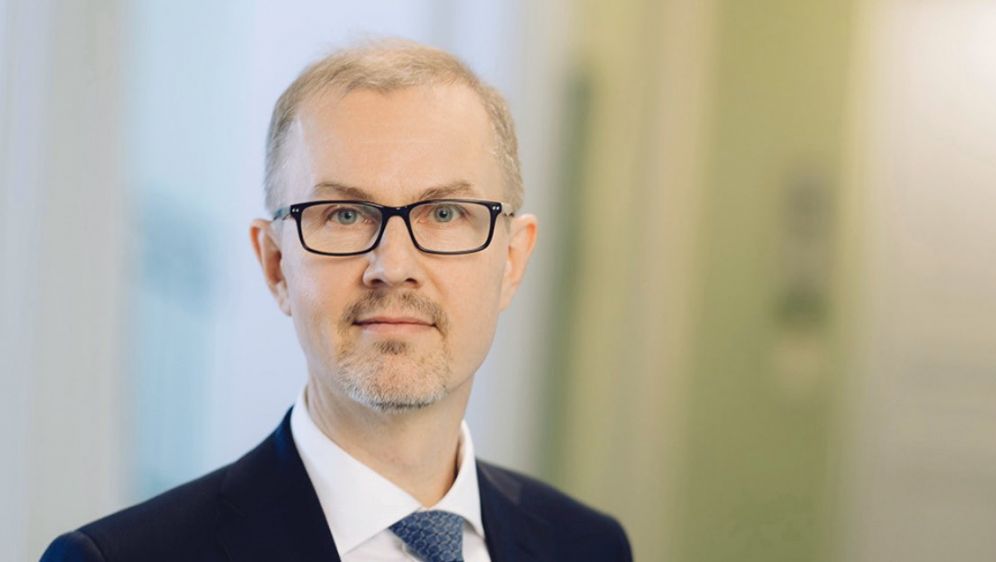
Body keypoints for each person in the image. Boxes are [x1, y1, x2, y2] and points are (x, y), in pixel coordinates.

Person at [41, 39, 632, 562]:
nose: (393, 267)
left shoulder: (587, 547)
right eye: (345, 215)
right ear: (276, 264)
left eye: (445, 213)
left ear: (512, 261)